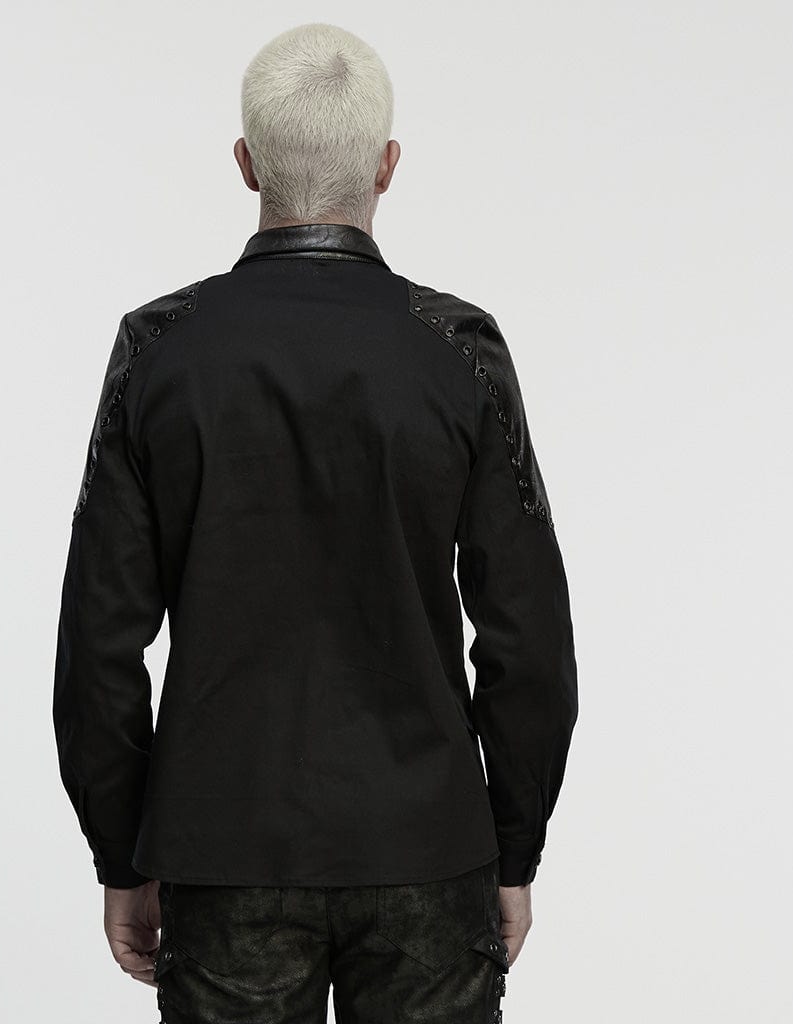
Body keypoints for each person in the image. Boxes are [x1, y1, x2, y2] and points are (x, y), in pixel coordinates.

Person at [52, 21, 579, 1023]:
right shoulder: (459, 352)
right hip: (428, 849)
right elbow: (528, 639)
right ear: (386, 166)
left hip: (221, 848)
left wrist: (121, 854)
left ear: (246, 164)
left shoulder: (158, 351)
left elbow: (98, 645)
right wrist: (514, 849)